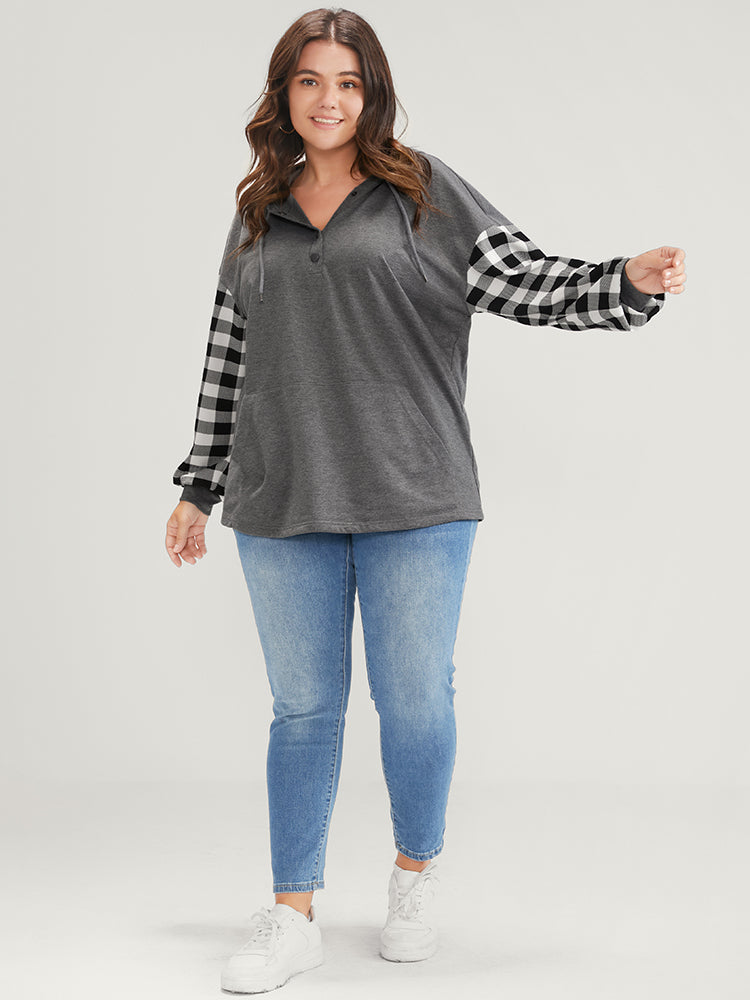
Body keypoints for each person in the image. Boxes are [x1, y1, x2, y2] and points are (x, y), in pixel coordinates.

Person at [164, 7, 686, 994]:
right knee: (301, 710)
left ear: (373, 94)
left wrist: (621, 280)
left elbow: (525, 280)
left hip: (415, 491)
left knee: (412, 702)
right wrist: (200, 483)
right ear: (284, 94)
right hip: (281, 495)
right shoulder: (258, 211)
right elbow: (228, 357)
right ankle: (292, 915)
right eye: (310, 80)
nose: (328, 99)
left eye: (348, 82)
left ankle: (413, 876)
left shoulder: (422, 192)